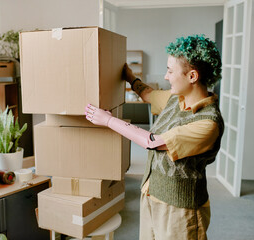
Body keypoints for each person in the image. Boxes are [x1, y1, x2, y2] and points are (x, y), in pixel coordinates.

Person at [85, 34, 223, 240]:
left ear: (192, 76)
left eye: (170, 71)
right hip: (152, 197)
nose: (166, 77)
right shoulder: (174, 99)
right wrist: (129, 76)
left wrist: (108, 120)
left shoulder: (207, 123)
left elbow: (153, 142)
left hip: (181, 211)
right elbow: (148, 94)